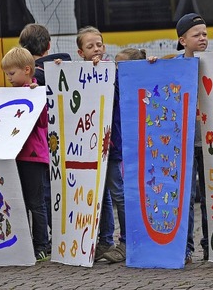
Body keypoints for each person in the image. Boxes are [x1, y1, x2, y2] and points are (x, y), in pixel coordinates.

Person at [0, 46, 50, 261]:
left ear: (26, 70)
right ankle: (23, 243)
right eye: (7, 74)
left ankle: (42, 244)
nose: (9, 78)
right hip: (16, 156)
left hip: (33, 157)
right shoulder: (13, 93)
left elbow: (44, 123)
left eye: (12, 74)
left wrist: (35, 98)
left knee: (36, 203)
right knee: (19, 201)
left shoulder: (35, 92)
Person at [69, 26, 119, 262]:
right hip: (88, 143)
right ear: (81, 52)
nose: (96, 49)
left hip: (111, 143)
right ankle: (102, 240)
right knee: (100, 194)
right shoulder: (78, 71)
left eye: (99, 44)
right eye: (90, 46)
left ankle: (113, 240)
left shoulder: (112, 70)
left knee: (114, 191)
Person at [18, 24, 72, 236]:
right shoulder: (62, 69)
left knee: (43, 194)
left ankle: (50, 234)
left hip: (39, 144)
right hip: (64, 137)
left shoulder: (32, 78)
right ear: (49, 45)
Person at [99, 47, 147, 264]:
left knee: (120, 194)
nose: (115, 70)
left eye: (120, 66)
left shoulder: (125, 86)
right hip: (112, 146)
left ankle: (127, 242)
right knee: (116, 194)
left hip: (117, 147)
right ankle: (119, 241)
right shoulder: (114, 84)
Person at [175, 13, 208, 265]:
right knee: (185, 197)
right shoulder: (174, 65)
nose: (203, 38)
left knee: (210, 197)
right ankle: (185, 247)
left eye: (205, 34)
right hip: (184, 141)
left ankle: (210, 246)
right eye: (196, 35)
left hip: (209, 140)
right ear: (182, 40)